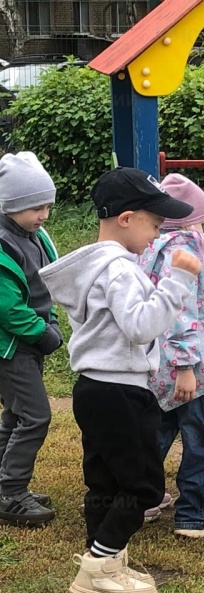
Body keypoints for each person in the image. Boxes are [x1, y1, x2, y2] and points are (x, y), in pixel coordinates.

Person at [40, 167, 201, 593]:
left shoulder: (95, 264)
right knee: (143, 486)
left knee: (105, 483)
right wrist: (177, 282)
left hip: (94, 388)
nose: (157, 233)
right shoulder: (120, 269)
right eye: (154, 223)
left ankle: (105, 564)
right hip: (121, 390)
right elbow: (140, 326)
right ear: (126, 218)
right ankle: (98, 568)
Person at [137, 173, 204, 538]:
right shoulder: (184, 251)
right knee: (198, 437)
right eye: (201, 220)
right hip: (189, 369)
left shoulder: (151, 248)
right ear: (188, 222)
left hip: (159, 366)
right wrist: (186, 366)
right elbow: (181, 313)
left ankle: (144, 497)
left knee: (160, 430)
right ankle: (193, 512)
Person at [0, 152, 61, 526]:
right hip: (11, 347)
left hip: (29, 342)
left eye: (47, 206)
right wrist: (42, 333)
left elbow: (44, 283)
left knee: (16, 414)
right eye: (35, 207)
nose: (43, 215)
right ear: (10, 206)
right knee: (36, 417)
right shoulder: (4, 245)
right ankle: (12, 492)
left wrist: (50, 322)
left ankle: (4, 485)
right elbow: (7, 309)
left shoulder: (32, 235)